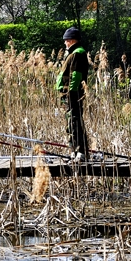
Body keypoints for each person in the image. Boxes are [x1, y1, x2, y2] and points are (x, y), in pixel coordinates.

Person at [55, 26, 89, 160]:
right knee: (71, 123)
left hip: (73, 94)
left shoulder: (77, 53)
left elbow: (76, 75)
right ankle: (74, 150)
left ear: (71, 40)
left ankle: (80, 151)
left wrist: (71, 92)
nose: (64, 43)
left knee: (75, 122)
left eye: (66, 40)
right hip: (69, 94)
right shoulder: (73, 53)